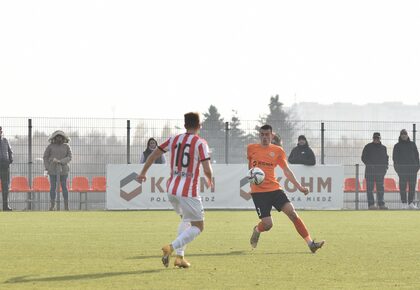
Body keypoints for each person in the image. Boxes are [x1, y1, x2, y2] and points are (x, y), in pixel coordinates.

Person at [137, 112, 213, 268]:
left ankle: (180, 258)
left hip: (171, 189)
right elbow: (207, 167)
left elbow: (153, 155)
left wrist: (143, 173)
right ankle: (170, 248)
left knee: (186, 220)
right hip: (188, 191)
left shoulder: (174, 139)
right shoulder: (200, 143)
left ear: (185, 125)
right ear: (200, 126)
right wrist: (210, 179)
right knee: (198, 226)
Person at [247, 125, 325, 253]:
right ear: (259, 135)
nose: (265, 137)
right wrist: (252, 184)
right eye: (262, 134)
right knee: (268, 225)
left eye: (267, 134)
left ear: (272, 136)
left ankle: (311, 243)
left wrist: (299, 187)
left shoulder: (278, 151)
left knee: (292, 213)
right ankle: (257, 230)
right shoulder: (251, 149)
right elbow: (250, 168)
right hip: (259, 193)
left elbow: (287, 171)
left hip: (275, 189)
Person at [43, 130, 72, 211]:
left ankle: (66, 206)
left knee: (64, 187)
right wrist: (47, 167)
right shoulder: (50, 146)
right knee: (52, 187)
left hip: (63, 170)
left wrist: (61, 161)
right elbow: (45, 157)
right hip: (52, 170)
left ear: (63, 138)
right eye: (57, 137)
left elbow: (69, 157)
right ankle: (52, 205)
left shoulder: (66, 146)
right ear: (54, 138)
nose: (59, 138)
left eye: (60, 137)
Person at [392, 129, 419, 210]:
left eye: (405, 134)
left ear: (407, 135)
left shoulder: (412, 144)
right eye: (402, 134)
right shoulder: (397, 146)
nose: (404, 135)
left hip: (412, 170)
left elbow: (417, 157)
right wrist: (398, 170)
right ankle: (404, 203)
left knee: (412, 187)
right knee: (402, 187)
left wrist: (417, 168)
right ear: (400, 135)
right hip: (402, 171)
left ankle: (411, 203)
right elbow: (395, 159)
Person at [361, 132, 389, 210]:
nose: (376, 139)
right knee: (370, 189)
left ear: (380, 138)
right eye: (375, 138)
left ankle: (381, 204)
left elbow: (386, 159)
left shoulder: (384, 148)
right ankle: (371, 205)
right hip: (370, 172)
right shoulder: (368, 147)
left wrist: (385, 169)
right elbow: (363, 158)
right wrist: (370, 165)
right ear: (373, 138)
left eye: (377, 138)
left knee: (380, 189)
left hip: (380, 173)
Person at [0, 126, 13, 211]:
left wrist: (10, 159)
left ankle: (5, 206)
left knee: (5, 186)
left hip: (5, 165)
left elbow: (10, 151)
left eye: (0, 130)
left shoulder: (5, 140)